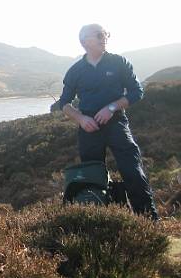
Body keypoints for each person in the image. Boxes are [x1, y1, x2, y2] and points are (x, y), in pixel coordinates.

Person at [58, 23, 159, 220]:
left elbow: (136, 92)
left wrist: (112, 107)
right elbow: (64, 103)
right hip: (89, 129)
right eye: (99, 35)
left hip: (117, 124)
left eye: (105, 34)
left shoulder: (118, 62)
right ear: (85, 41)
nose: (104, 37)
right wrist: (80, 118)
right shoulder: (75, 71)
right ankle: (102, 222)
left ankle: (149, 223)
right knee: (92, 178)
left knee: (133, 172)